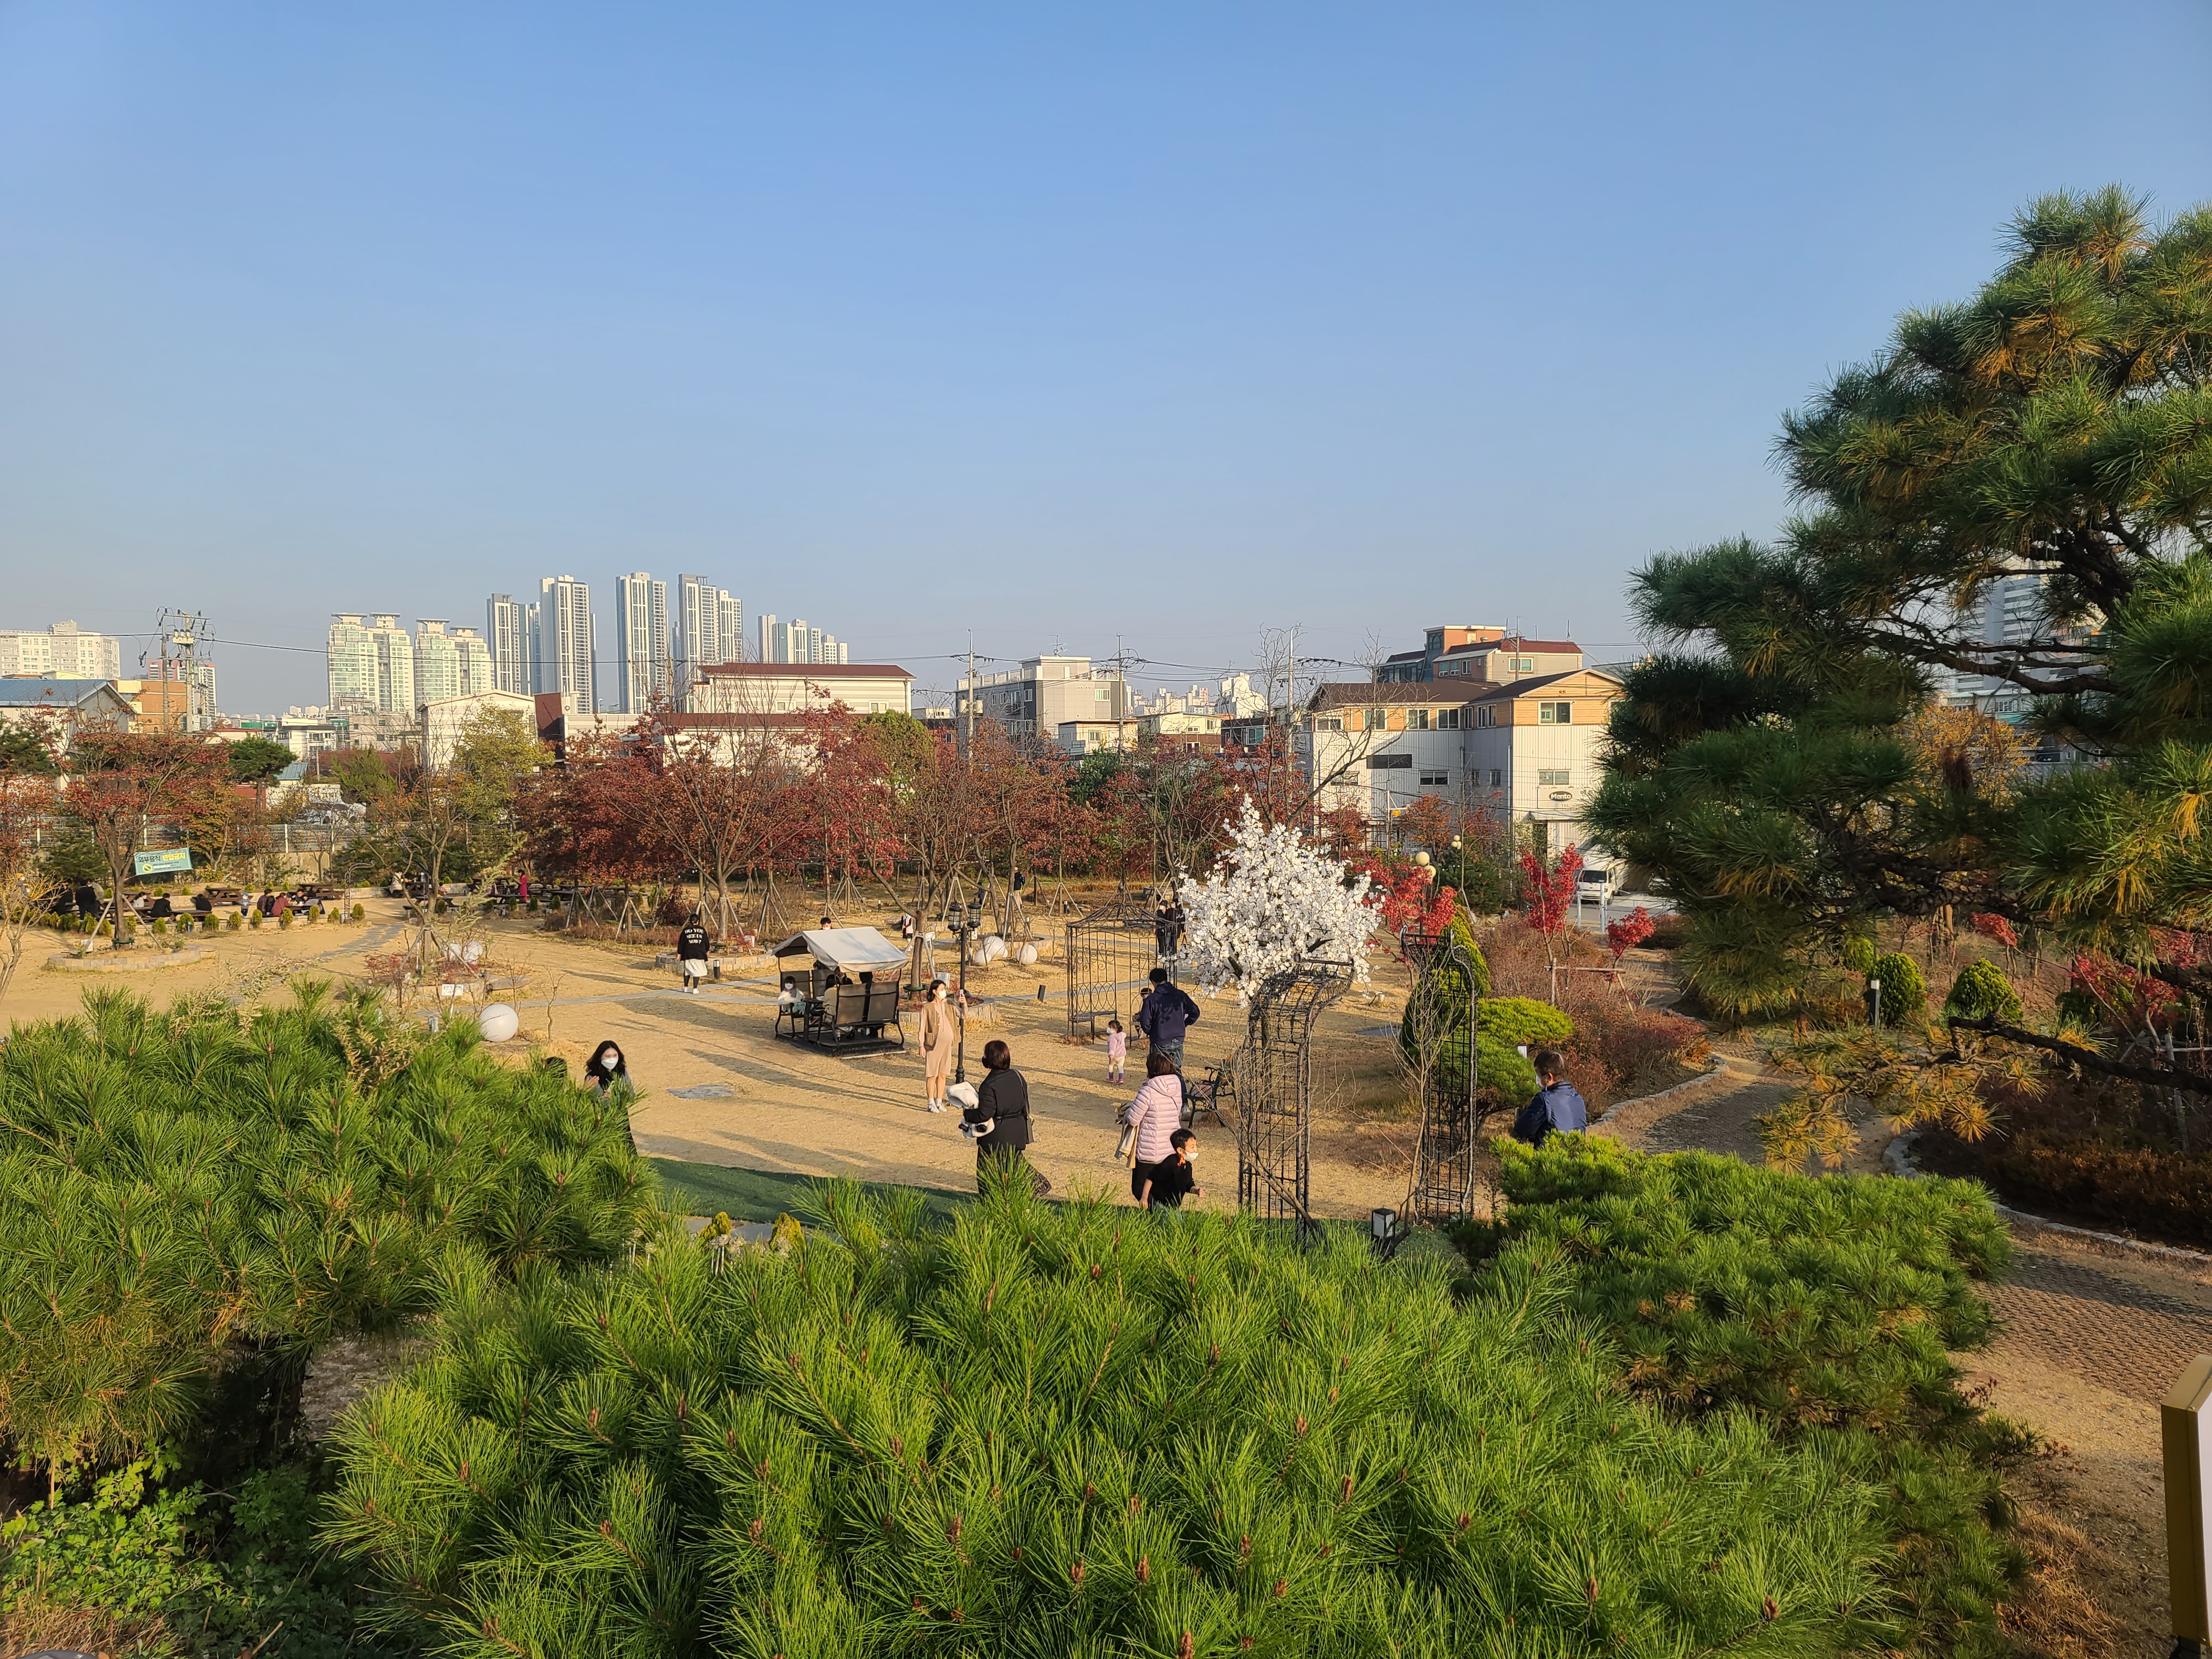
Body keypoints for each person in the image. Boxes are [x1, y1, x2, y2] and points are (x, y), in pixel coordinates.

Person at [966, 1038, 1048, 1195]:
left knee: (988, 1178)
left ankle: (995, 1202)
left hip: (995, 1139)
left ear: (990, 1060)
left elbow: (984, 1114)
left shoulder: (989, 1085)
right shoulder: (1018, 1076)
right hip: (1016, 1134)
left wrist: (967, 1113)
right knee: (1015, 1168)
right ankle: (1034, 1189)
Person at [1121, 1048, 1184, 1208]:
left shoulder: (1148, 1090)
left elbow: (1133, 1119)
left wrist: (1127, 1111)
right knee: (1163, 1189)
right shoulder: (1177, 1085)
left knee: (1139, 1188)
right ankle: (1164, 1214)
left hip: (1150, 1151)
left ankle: (1160, 1214)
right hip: (1170, 1149)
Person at [1511, 1048, 1589, 1148]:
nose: (1537, 1078)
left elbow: (1522, 1130)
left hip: (1550, 1155)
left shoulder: (1544, 1100)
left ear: (1549, 1077)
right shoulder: (1578, 1098)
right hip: (1575, 1154)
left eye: (1538, 1074)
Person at [1136, 967, 1200, 1070]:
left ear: (1153, 982)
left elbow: (1145, 1022)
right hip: (1178, 1038)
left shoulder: (1151, 1000)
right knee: (1176, 1070)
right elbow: (1195, 1012)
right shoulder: (1180, 995)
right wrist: (1184, 1024)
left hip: (1160, 1040)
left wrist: (1153, 1032)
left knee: (1159, 1071)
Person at [921, 979, 958, 1113]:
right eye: (942, 990)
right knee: (932, 1075)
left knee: (943, 1074)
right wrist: (921, 1045)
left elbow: (963, 1015)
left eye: (945, 989)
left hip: (947, 1046)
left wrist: (964, 1004)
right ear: (935, 991)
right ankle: (931, 1103)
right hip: (933, 1045)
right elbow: (922, 1028)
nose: (944, 992)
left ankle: (939, 1100)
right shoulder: (927, 1007)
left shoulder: (949, 1004)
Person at [1147, 1128, 1205, 1211]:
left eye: (1196, 1146)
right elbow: (1151, 1177)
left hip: (1174, 1206)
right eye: (1192, 1147)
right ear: (1180, 1150)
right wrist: (1144, 1198)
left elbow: (1188, 1184)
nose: (1195, 1150)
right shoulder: (1171, 1162)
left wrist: (1196, 1190)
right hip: (1161, 1203)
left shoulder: (1187, 1166)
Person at [675, 911, 713, 993]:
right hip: (699, 953)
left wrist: (679, 953)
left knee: (687, 970)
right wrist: (708, 950)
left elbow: (681, 943)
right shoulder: (702, 930)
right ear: (698, 921)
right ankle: (695, 989)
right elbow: (706, 941)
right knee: (697, 970)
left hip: (688, 953)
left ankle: (685, 987)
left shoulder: (686, 930)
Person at [1105, 1018, 1126, 1084]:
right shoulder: (1122, 1035)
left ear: (1115, 1029)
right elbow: (1124, 1035)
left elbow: (1112, 1046)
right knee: (1120, 1067)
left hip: (1115, 1056)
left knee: (1111, 1066)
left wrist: (1111, 1053)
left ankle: (1111, 1078)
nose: (1108, 1028)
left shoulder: (1112, 1037)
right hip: (1122, 1055)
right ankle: (1121, 1079)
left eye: (1110, 1027)